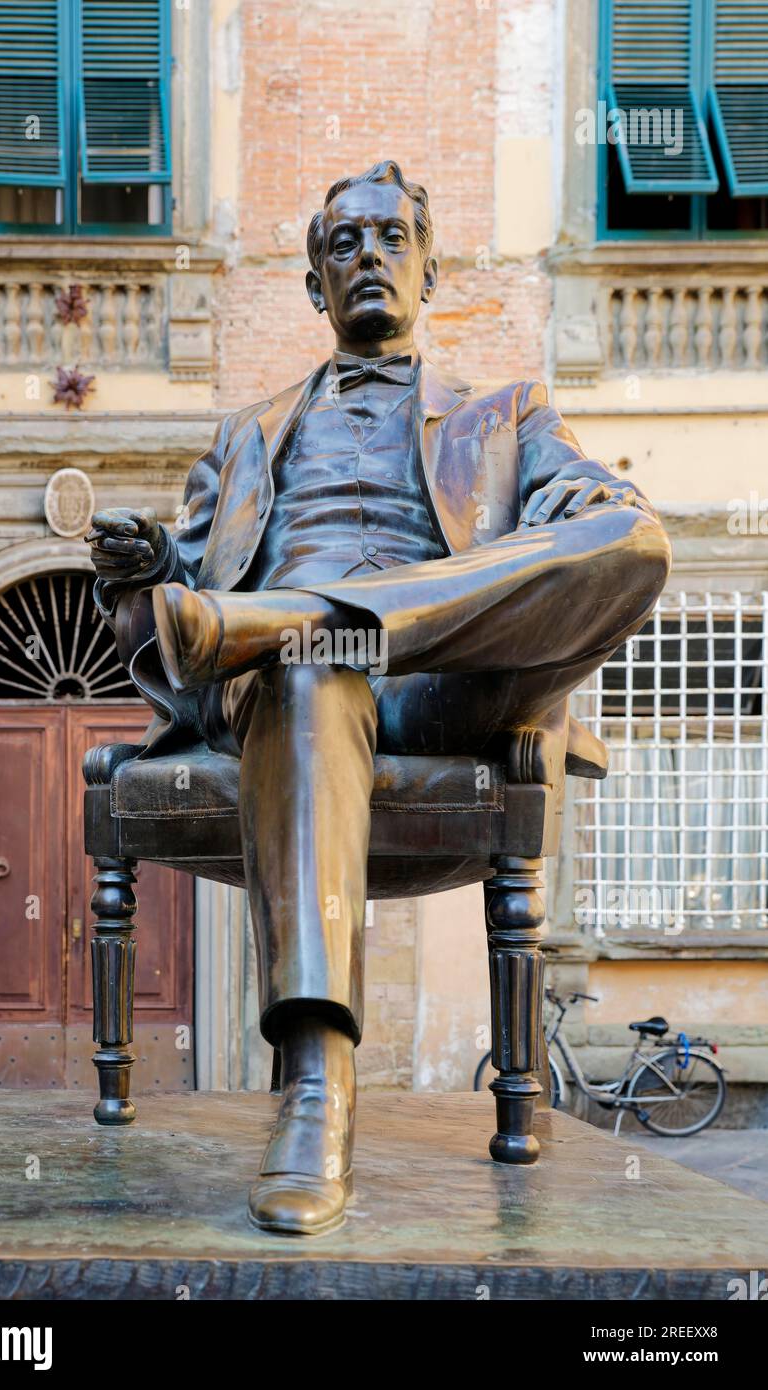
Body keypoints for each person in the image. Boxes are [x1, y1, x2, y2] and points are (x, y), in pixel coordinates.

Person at [86, 161, 670, 1235]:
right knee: (310, 655)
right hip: (286, 689)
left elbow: (603, 524)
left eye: (393, 237)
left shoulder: (507, 415)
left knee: (633, 538)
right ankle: (317, 1087)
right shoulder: (246, 434)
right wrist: (144, 566)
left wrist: (579, 515)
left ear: (430, 269)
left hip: (452, 685)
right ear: (314, 285)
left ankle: (287, 618)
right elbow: (178, 590)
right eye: (344, 243)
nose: (370, 256)